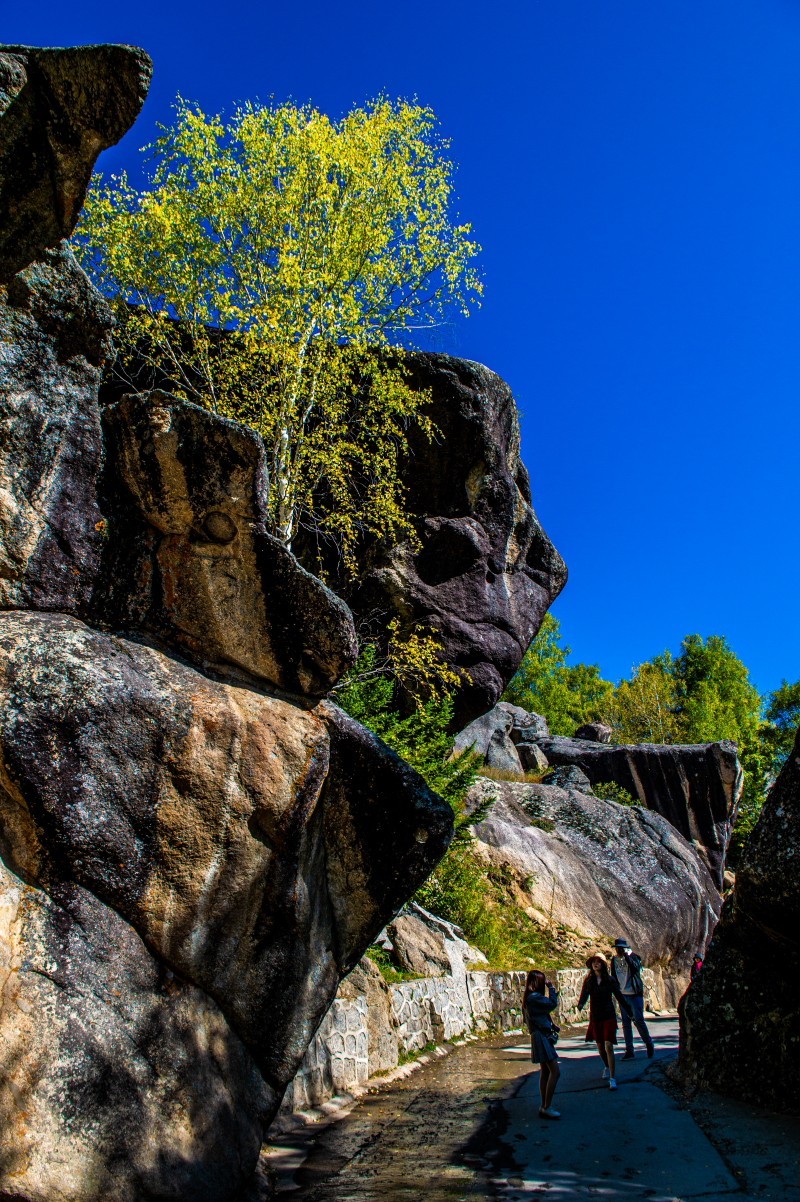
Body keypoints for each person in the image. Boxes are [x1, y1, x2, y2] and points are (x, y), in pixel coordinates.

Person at [577, 953, 632, 1090]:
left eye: (599, 962)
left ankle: (612, 1078)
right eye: (594, 962)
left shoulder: (610, 980)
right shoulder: (589, 981)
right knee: (600, 1046)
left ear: (603, 964)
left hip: (608, 1015)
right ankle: (607, 1066)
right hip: (596, 1016)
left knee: (608, 1045)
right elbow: (584, 995)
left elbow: (619, 996)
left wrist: (629, 1011)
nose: (596, 964)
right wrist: (579, 1005)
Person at [609, 937, 655, 1060]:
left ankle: (648, 1043)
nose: (619, 950)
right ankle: (629, 1049)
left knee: (639, 1021)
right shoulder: (614, 960)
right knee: (626, 1023)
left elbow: (635, 969)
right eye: (617, 948)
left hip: (634, 994)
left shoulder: (634, 957)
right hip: (623, 995)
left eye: (621, 948)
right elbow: (613, 976)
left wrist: (627, 956)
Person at [523, 969, 561, 1119]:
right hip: (541, 1036)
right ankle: (547, 1106)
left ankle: (544, 1104)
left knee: (545, 1071)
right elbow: (552, 1003)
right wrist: (551, 988)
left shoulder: (529, 998)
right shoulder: (534, 998)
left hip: (538, 1035)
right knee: (555, 1072)